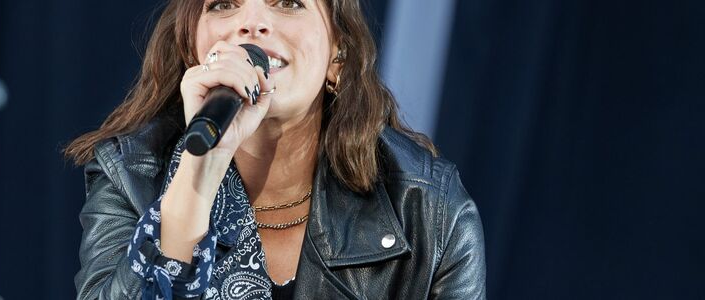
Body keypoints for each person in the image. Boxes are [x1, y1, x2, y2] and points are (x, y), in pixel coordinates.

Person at [65, 0, 486, 299]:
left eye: (287, 2)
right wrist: (199, 172)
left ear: (338, 54)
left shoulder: (428, 209)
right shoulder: (129, 176)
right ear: (191, 48)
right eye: (223, 4)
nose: (251, 23)